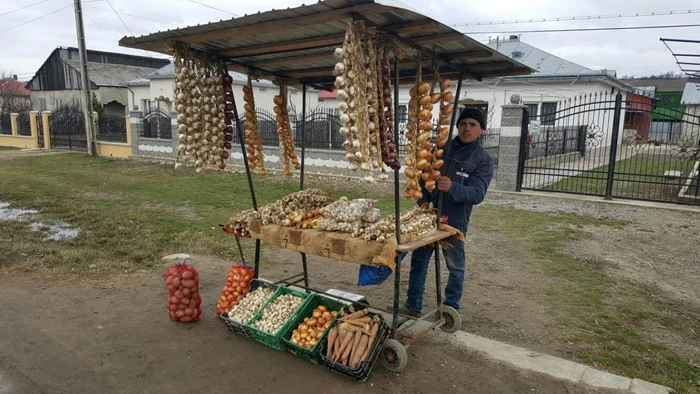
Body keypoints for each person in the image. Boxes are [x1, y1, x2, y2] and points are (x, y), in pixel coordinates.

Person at [401, 107, 494, 316]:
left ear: (481, 130)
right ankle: (412, 304)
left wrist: (453, 187)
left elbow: (477, 194)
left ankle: (451, 307)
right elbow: (423, 180)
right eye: (463, 123)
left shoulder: (483, 159)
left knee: (455, 265)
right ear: (457, 126)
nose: (466, 128)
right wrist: (423, 202)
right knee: (419, 261)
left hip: (454, 222)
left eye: (472, 125)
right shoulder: (440, 149)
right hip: (428, 219)